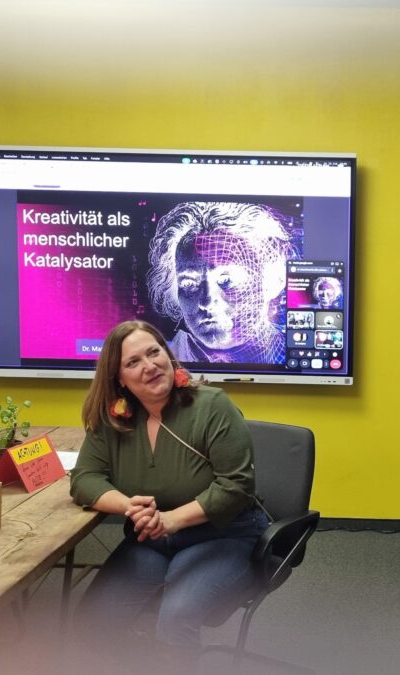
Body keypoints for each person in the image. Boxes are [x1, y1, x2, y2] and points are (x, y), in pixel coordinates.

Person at [69, 320, 267, 670]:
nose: (149, 366)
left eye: (154, 352)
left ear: (168, 354)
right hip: (152, 538)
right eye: (133, 362)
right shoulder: (114, 420)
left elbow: (237, 486)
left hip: (222, 534)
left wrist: (171, 520)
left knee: (175, 619)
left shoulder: (212, 406)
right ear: (118, 378)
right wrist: (129, 506)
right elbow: (84, 479)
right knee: (93, 621)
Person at [147, 201, 298, 365]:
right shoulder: (161, 364)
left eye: (226, 280)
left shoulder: (293, 352)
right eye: (189, 284)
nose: (206, 302)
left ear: (274, 282)